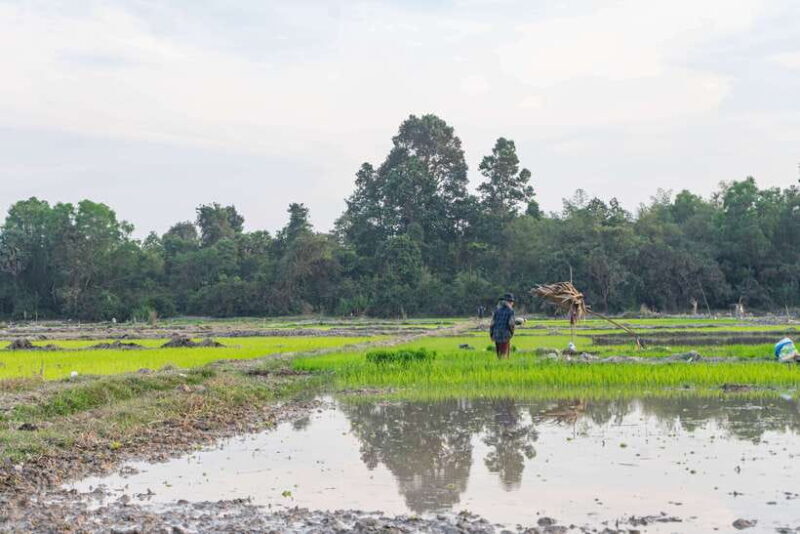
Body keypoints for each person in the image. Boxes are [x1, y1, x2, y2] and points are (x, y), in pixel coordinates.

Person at [490, 293, 516, 359]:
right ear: (510, 302)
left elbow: (492, 324)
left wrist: (491, 334)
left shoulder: (497, 310)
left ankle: (499, 365)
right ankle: (504, 366)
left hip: (496, 334)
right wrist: (512, 332)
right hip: (505, 335)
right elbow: (511, 324)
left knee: (499, 354)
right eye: (512, 302)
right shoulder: (511, 311)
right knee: (504, 354)